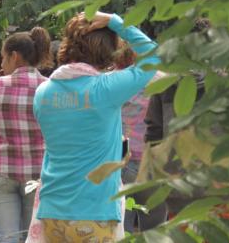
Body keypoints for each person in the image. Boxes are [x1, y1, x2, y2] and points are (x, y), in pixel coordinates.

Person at [33, 12, 159, 243]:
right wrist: (116, 21)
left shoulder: (43, 93)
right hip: (93, 213)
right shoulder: (105, 89)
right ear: (107, 52)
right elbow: (154, 58)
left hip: (52, 211)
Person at [0, 27, 49, 243]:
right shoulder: (48, 88)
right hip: (38, 175)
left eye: (3, 58)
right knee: (34, 237)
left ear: (15, 56)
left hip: (3, 172)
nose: (1, 65)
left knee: (6, 238)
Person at [115, 45, 167, 232]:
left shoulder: (114, 81)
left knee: (123, 225)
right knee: (154, 227)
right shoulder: (162, 79)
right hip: (152, 160)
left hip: (121, 158)